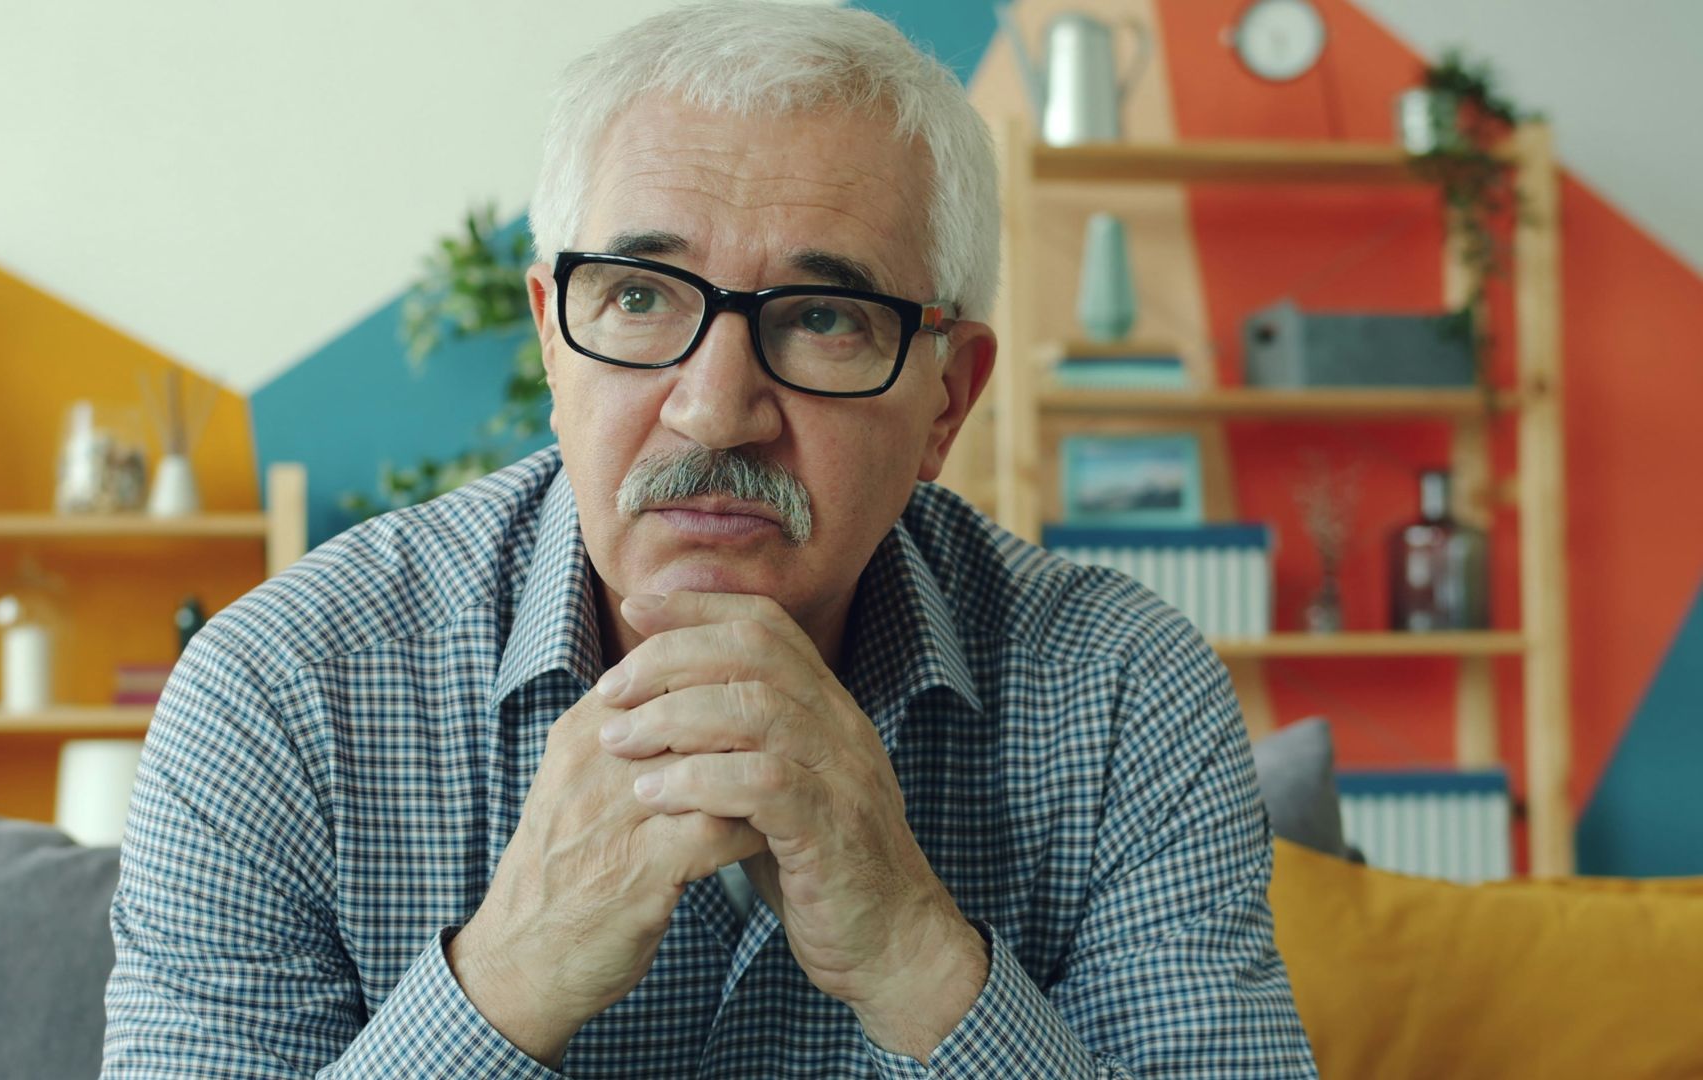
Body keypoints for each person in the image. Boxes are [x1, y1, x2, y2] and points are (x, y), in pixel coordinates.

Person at [102, 3, 1317, 1076]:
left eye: (826, 317)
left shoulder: (1121, 694)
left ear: (946, 399)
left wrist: (915, 959)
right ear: (550, 336)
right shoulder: (278, 694)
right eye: (639, 297)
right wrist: (508, 982)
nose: (714, 408)